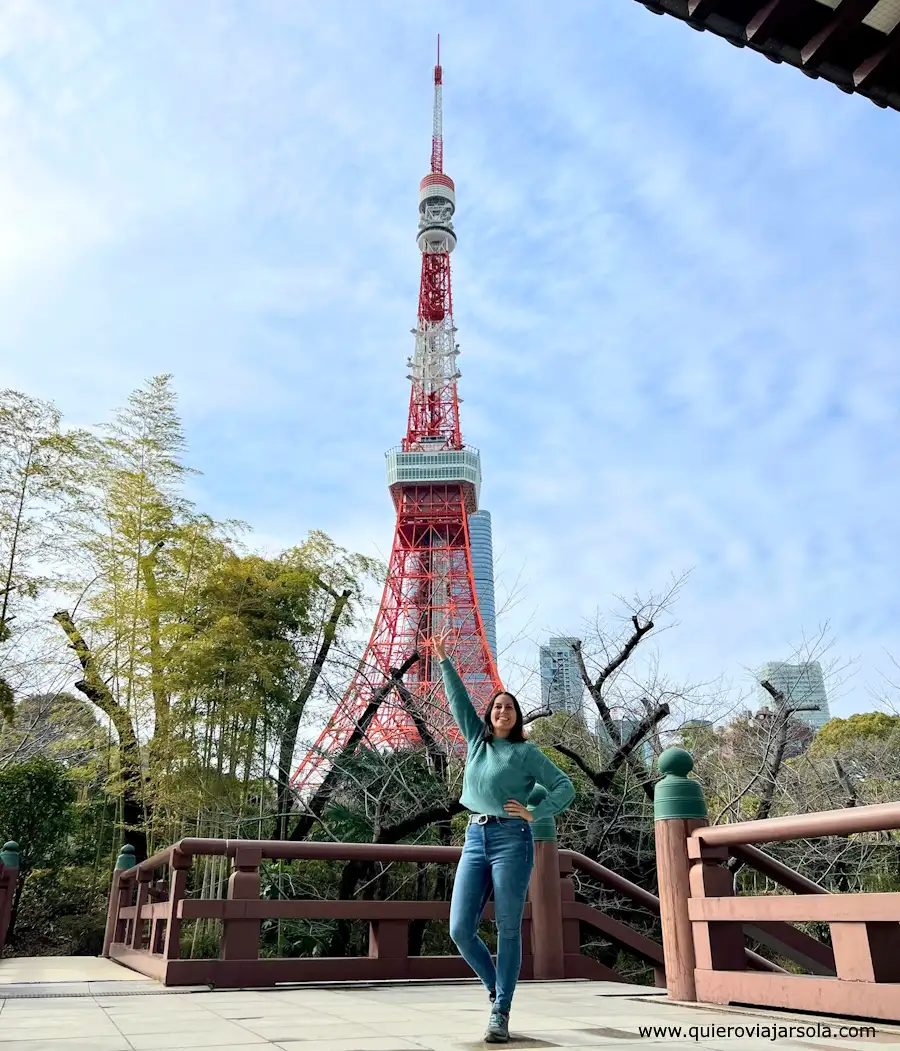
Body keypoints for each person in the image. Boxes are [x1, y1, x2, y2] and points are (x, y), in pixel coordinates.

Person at [432, 631, 575, 1044]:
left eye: (509, 708)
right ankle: (497, 990)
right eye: (497, 706)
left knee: (508, 928)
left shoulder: (526, 753)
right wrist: (444, 661)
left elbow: (565, 785)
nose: (502, 712)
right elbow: (458, 700)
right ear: (489, 713)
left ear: (518, 716)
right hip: (475, 838)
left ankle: (502, 1011)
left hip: (513, 838)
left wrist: (536, 812)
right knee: (460, 928)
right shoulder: (476, 741)